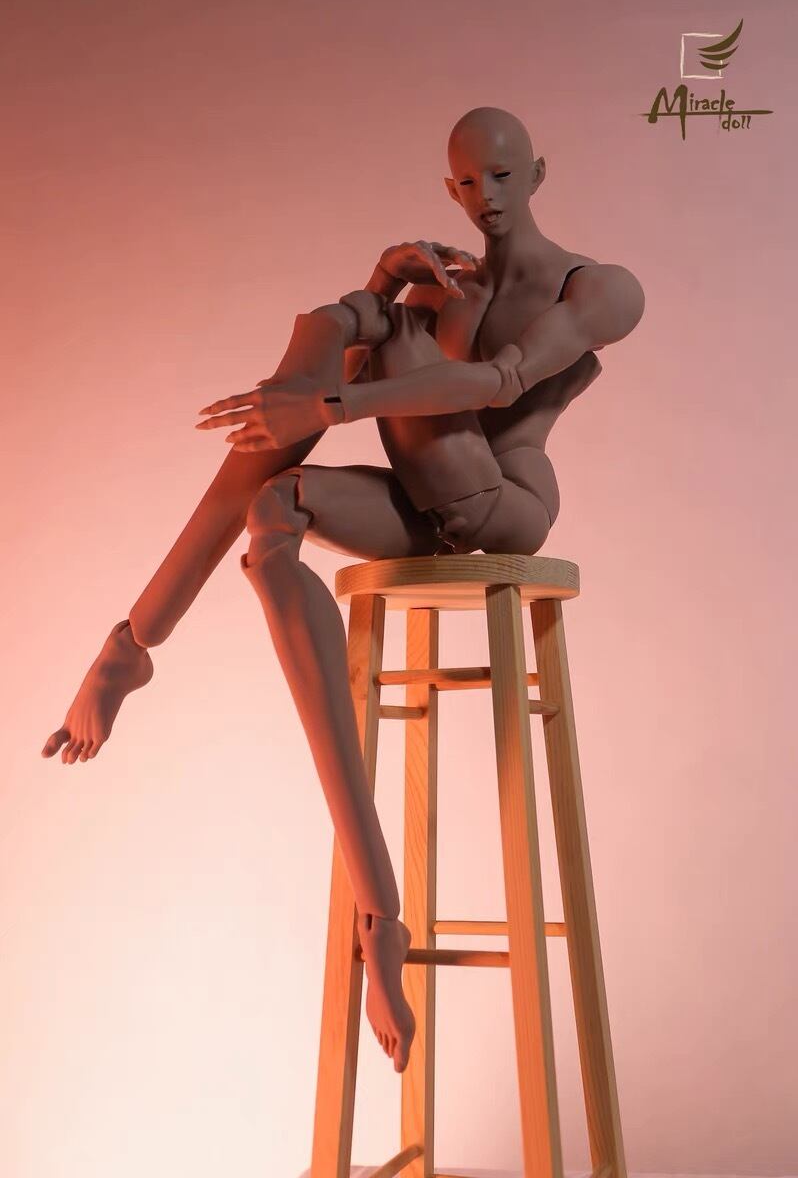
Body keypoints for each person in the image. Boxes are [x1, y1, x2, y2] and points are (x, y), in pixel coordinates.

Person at [42, 105, 645, 1073]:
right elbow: (377, 364)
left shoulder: (600, 287)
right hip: (418, 505)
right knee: (278, 500)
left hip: (503, 503)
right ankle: (379, 912)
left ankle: (136, 639)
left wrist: (332, 395)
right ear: (448, 187)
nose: (484, 197)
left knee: (365, 328)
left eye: (501, 176)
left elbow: (496, 384)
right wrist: (371, 290)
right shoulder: (447, 282)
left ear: (539, 173)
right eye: (466, 182)